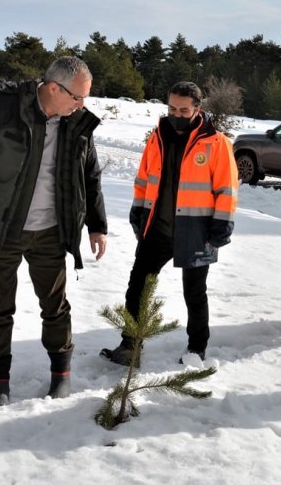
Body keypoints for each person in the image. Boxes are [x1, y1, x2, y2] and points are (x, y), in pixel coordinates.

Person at [0, 56, 108, 410]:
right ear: (53, 88)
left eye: (84, 99)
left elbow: (90, 176)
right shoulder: (1, 110)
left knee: (55, 307)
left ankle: (61, 376)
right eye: (76, 98)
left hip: (51, 230)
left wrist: (97, 225)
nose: (81, 106)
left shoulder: (75, 123)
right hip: (4, 229)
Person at [100, 81, 238, 365]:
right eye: (172, 108)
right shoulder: (157, 138)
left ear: (198, 108)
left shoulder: (216, 142)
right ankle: (130, 346)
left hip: (197, 232)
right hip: (158, 229)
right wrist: (138, 212)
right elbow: (143, 179)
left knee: (194, 293)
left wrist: (221, 228)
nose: (176, 114)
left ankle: (196, 350)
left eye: (183, 109)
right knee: (137, 285)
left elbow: (227, 190)